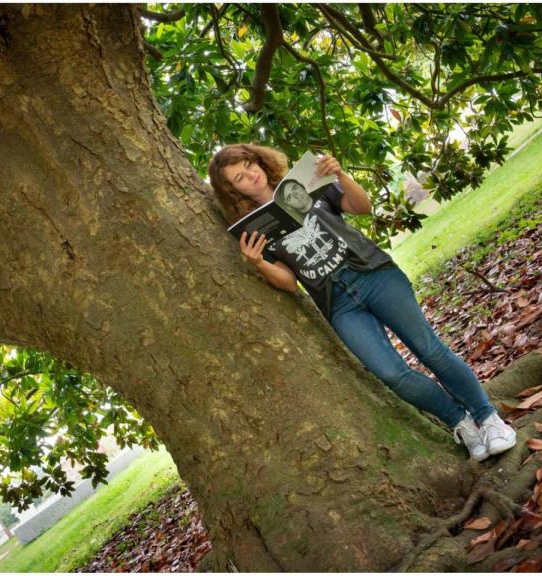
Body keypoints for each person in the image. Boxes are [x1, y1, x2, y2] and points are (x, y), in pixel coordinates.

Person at [208, 143, 516, 461]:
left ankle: (489, 419)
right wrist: (258, 262)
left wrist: (340, 175)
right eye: (240, 177)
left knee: (430, 350)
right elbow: (288, 283)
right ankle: (463, 424)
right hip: (339, 304)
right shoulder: (255, 230)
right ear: (233, 191)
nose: (251, 175)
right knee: (392, 374)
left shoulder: (303, 183)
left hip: (374, 275)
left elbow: (361, 206)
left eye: (249, 165)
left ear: (259, 161)